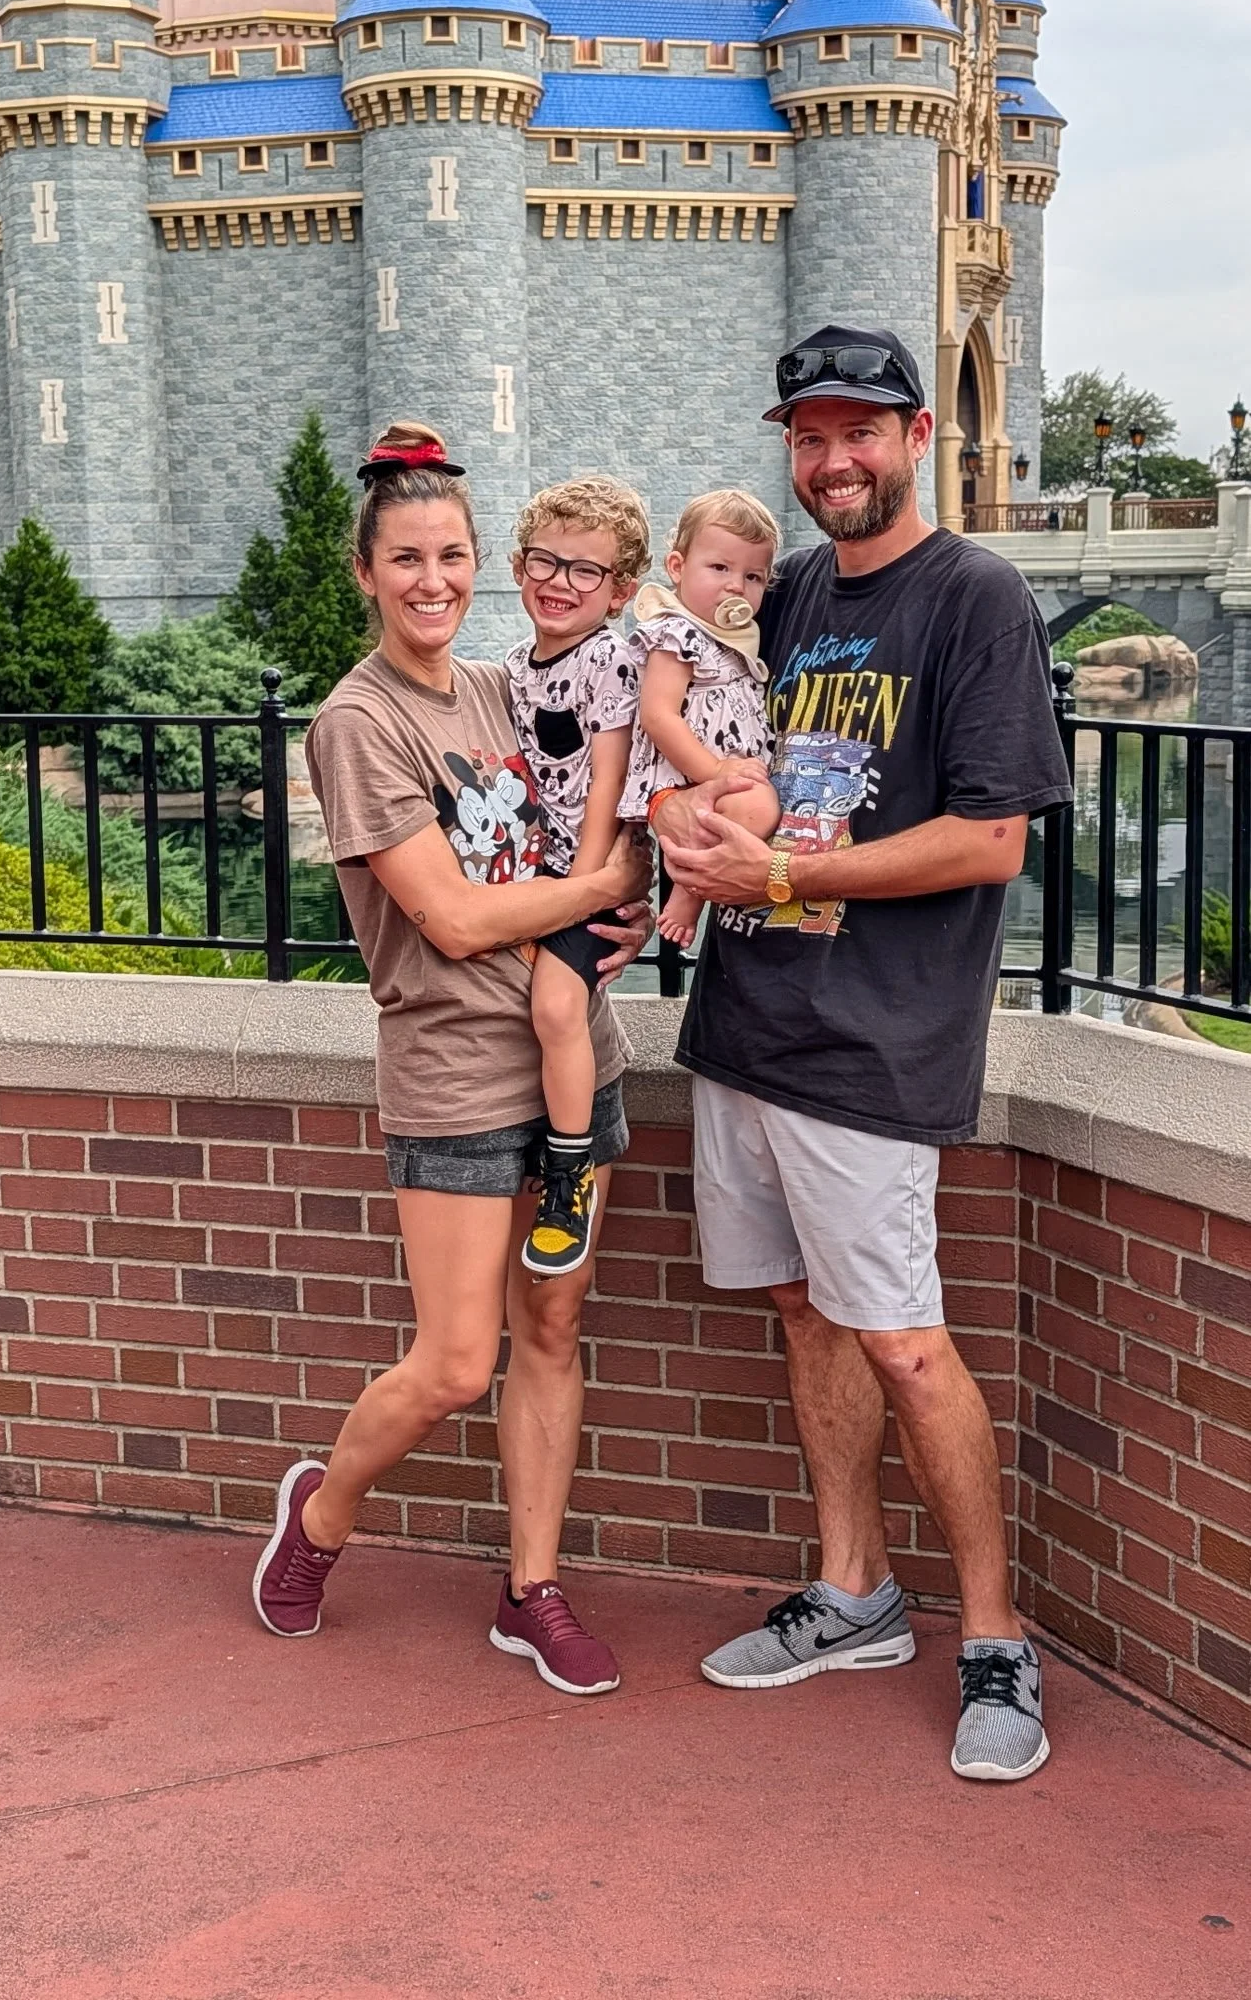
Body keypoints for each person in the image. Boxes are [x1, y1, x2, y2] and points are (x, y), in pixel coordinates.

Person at [656, 325, 1073, 1782]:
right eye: (809, 435)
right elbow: (768, 772)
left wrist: (773, 881)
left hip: (874, 1042)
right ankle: (852, 1594)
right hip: (750, 1021)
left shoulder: (974, 598)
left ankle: (994, 1638)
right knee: (805, 1318)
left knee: (900, 1336)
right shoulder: (796, 593)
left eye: (860, 433)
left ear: (913, 438)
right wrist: (711, 826)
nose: (833, 460)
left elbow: (988, 835)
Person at [253, 421, 653, 1697]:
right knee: (453, 1360)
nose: (436, 579)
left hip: (575, 1052)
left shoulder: (496, 689)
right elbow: (460, 916)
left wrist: (630, 894)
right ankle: (321, 1510)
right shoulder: (358, 722)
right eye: (409, 559)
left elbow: (615, 779)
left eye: (456, 555)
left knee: (554, 1324)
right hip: (457, 1074)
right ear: (364, 572)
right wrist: (599, 886)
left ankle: (531, 1585)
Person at [503, 477, 649, 1279]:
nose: (560, 581)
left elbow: (606, 785)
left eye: (585, 570)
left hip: (587, 868)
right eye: (545, 561)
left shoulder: (611, 664)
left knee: (558, 1003)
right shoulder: (514, 665)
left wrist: (583, 886)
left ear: (621, 590)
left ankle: (570, 1175)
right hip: (534, 867)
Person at [617, 491, 784, 948]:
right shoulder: (677, 632)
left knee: (759, 809)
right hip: (680, 777)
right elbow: (658, 715)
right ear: (677, 568)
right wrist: (714, 771)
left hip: (713, 776)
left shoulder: (732, 636)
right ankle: (691, 891)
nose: (736, 586)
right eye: (720, 568)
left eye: (753, 576)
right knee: (757, 809)